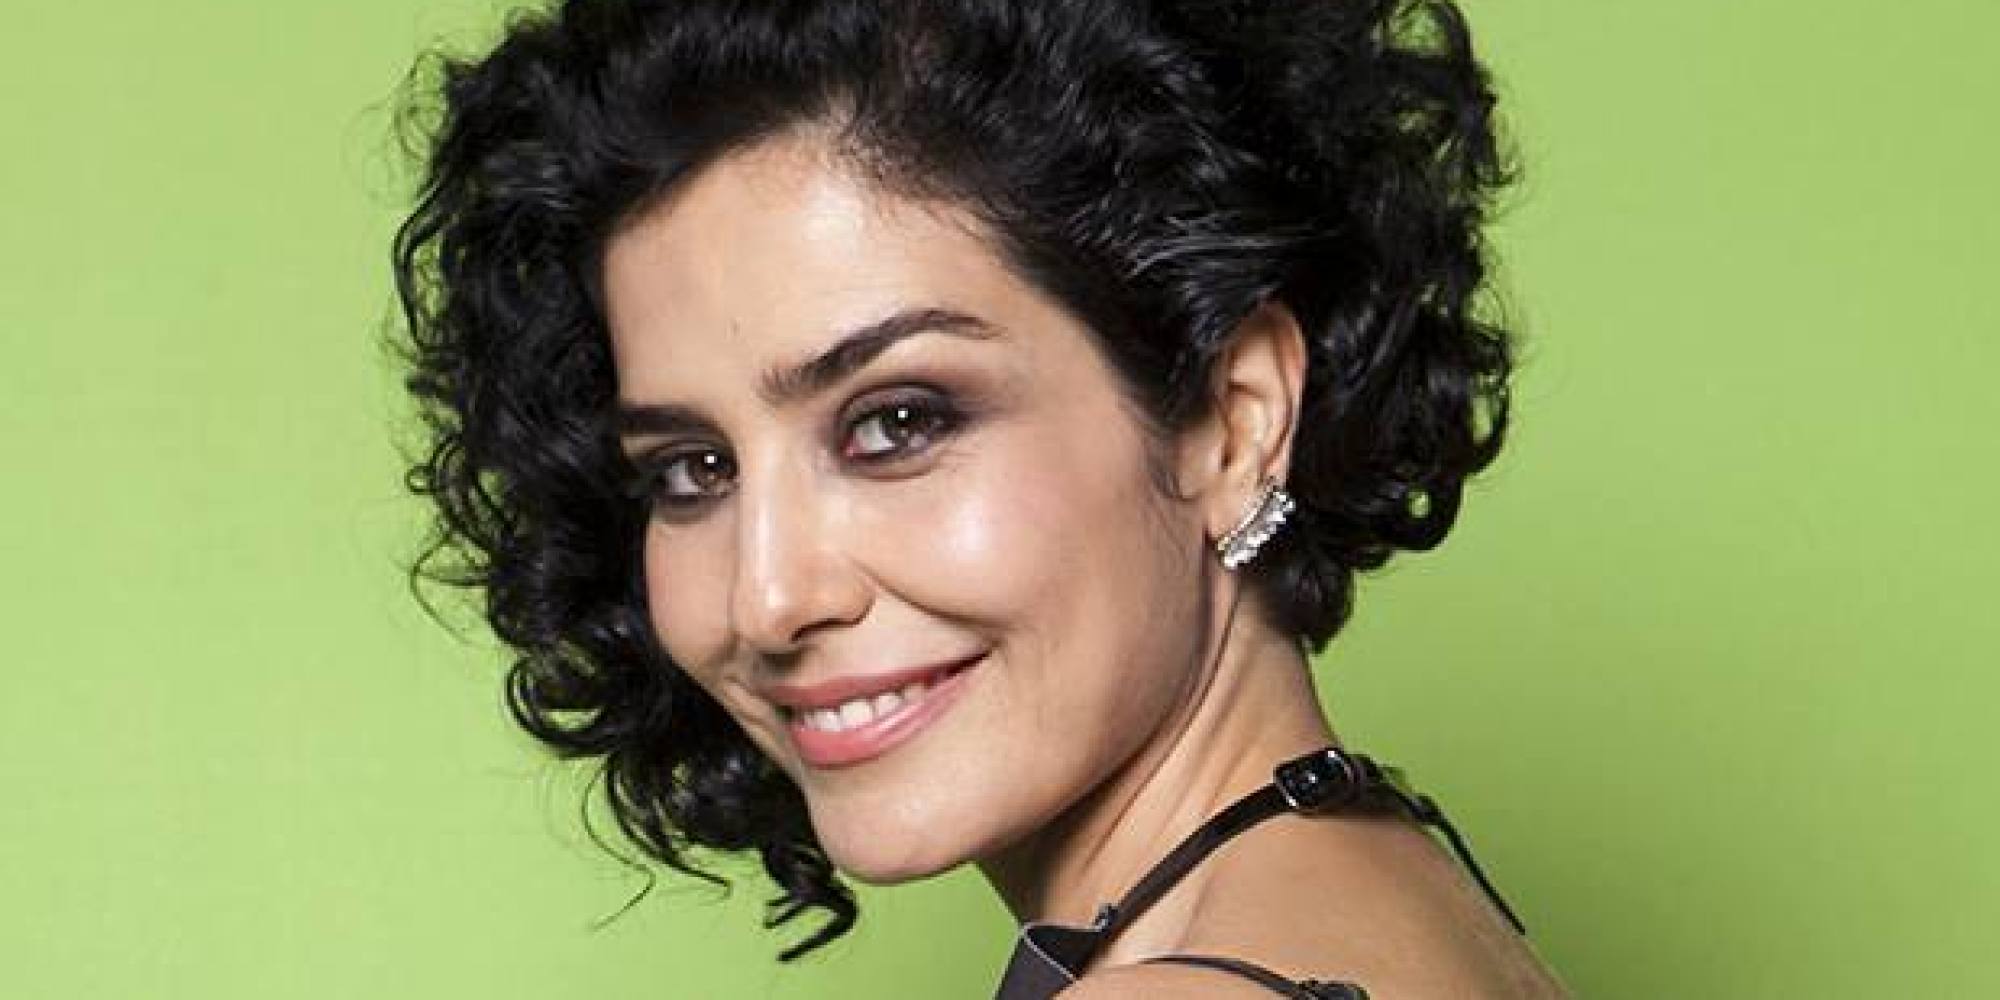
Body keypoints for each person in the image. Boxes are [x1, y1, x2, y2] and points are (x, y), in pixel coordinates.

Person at [393, 0, 1567, 994]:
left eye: (896, 423)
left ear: (1231, 417)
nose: (768, 597)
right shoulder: (1396, 896)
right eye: (692, 469)